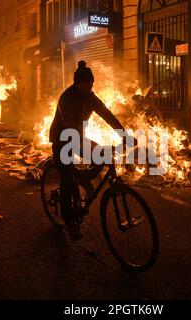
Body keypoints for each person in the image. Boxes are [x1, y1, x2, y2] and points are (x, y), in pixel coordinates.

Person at [49, 61, 131, 240]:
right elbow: (69, 123)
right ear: (77, 83)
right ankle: (69, 221)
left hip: (78, 136)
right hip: (63, 139)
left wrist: (124, 135)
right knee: (67, 179)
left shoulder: (90, 97)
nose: (89, 87)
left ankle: (84, 178)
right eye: (86, 84)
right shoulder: (66, 98)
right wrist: (81, 144)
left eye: (91, 84)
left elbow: (107, 114)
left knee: (103, 156)